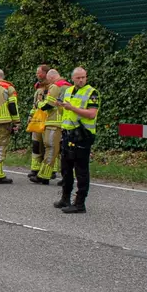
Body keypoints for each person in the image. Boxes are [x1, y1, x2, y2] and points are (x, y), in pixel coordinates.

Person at [54, 67, 100, 214]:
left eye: (83, 77)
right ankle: (65, 198)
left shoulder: (92, 93)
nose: (81, 80)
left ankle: (80, 203)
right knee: (66, 169)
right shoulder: (68, 91)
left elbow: (92, 114)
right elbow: (66, 113)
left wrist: (72, 108)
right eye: (78, 77)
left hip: (82, 135)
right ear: (73, 78)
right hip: (68, 134)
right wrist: (61, 106)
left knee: (81, 170)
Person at [30, 70, 72, 185]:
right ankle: (64, 177)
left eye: (48, 80)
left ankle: (44, 175)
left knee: (50, 148)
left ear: (51, 77)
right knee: (63, 152)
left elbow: (48, 105)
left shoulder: (55, 86)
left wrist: (39, 104)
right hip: (67, 122)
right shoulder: (69, 87)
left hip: (54, 122)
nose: (48, 83)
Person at [28, 65, 50, 179]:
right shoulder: (38, 87)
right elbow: (34, 105)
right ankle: (35, 169)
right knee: (36, 145)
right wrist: (31, 116)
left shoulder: (52, 87)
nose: (37, 75)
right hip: (37, 120)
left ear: (46, 73)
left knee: (48, 146)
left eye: (39, 73)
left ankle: (50, 170)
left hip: (47, 121)